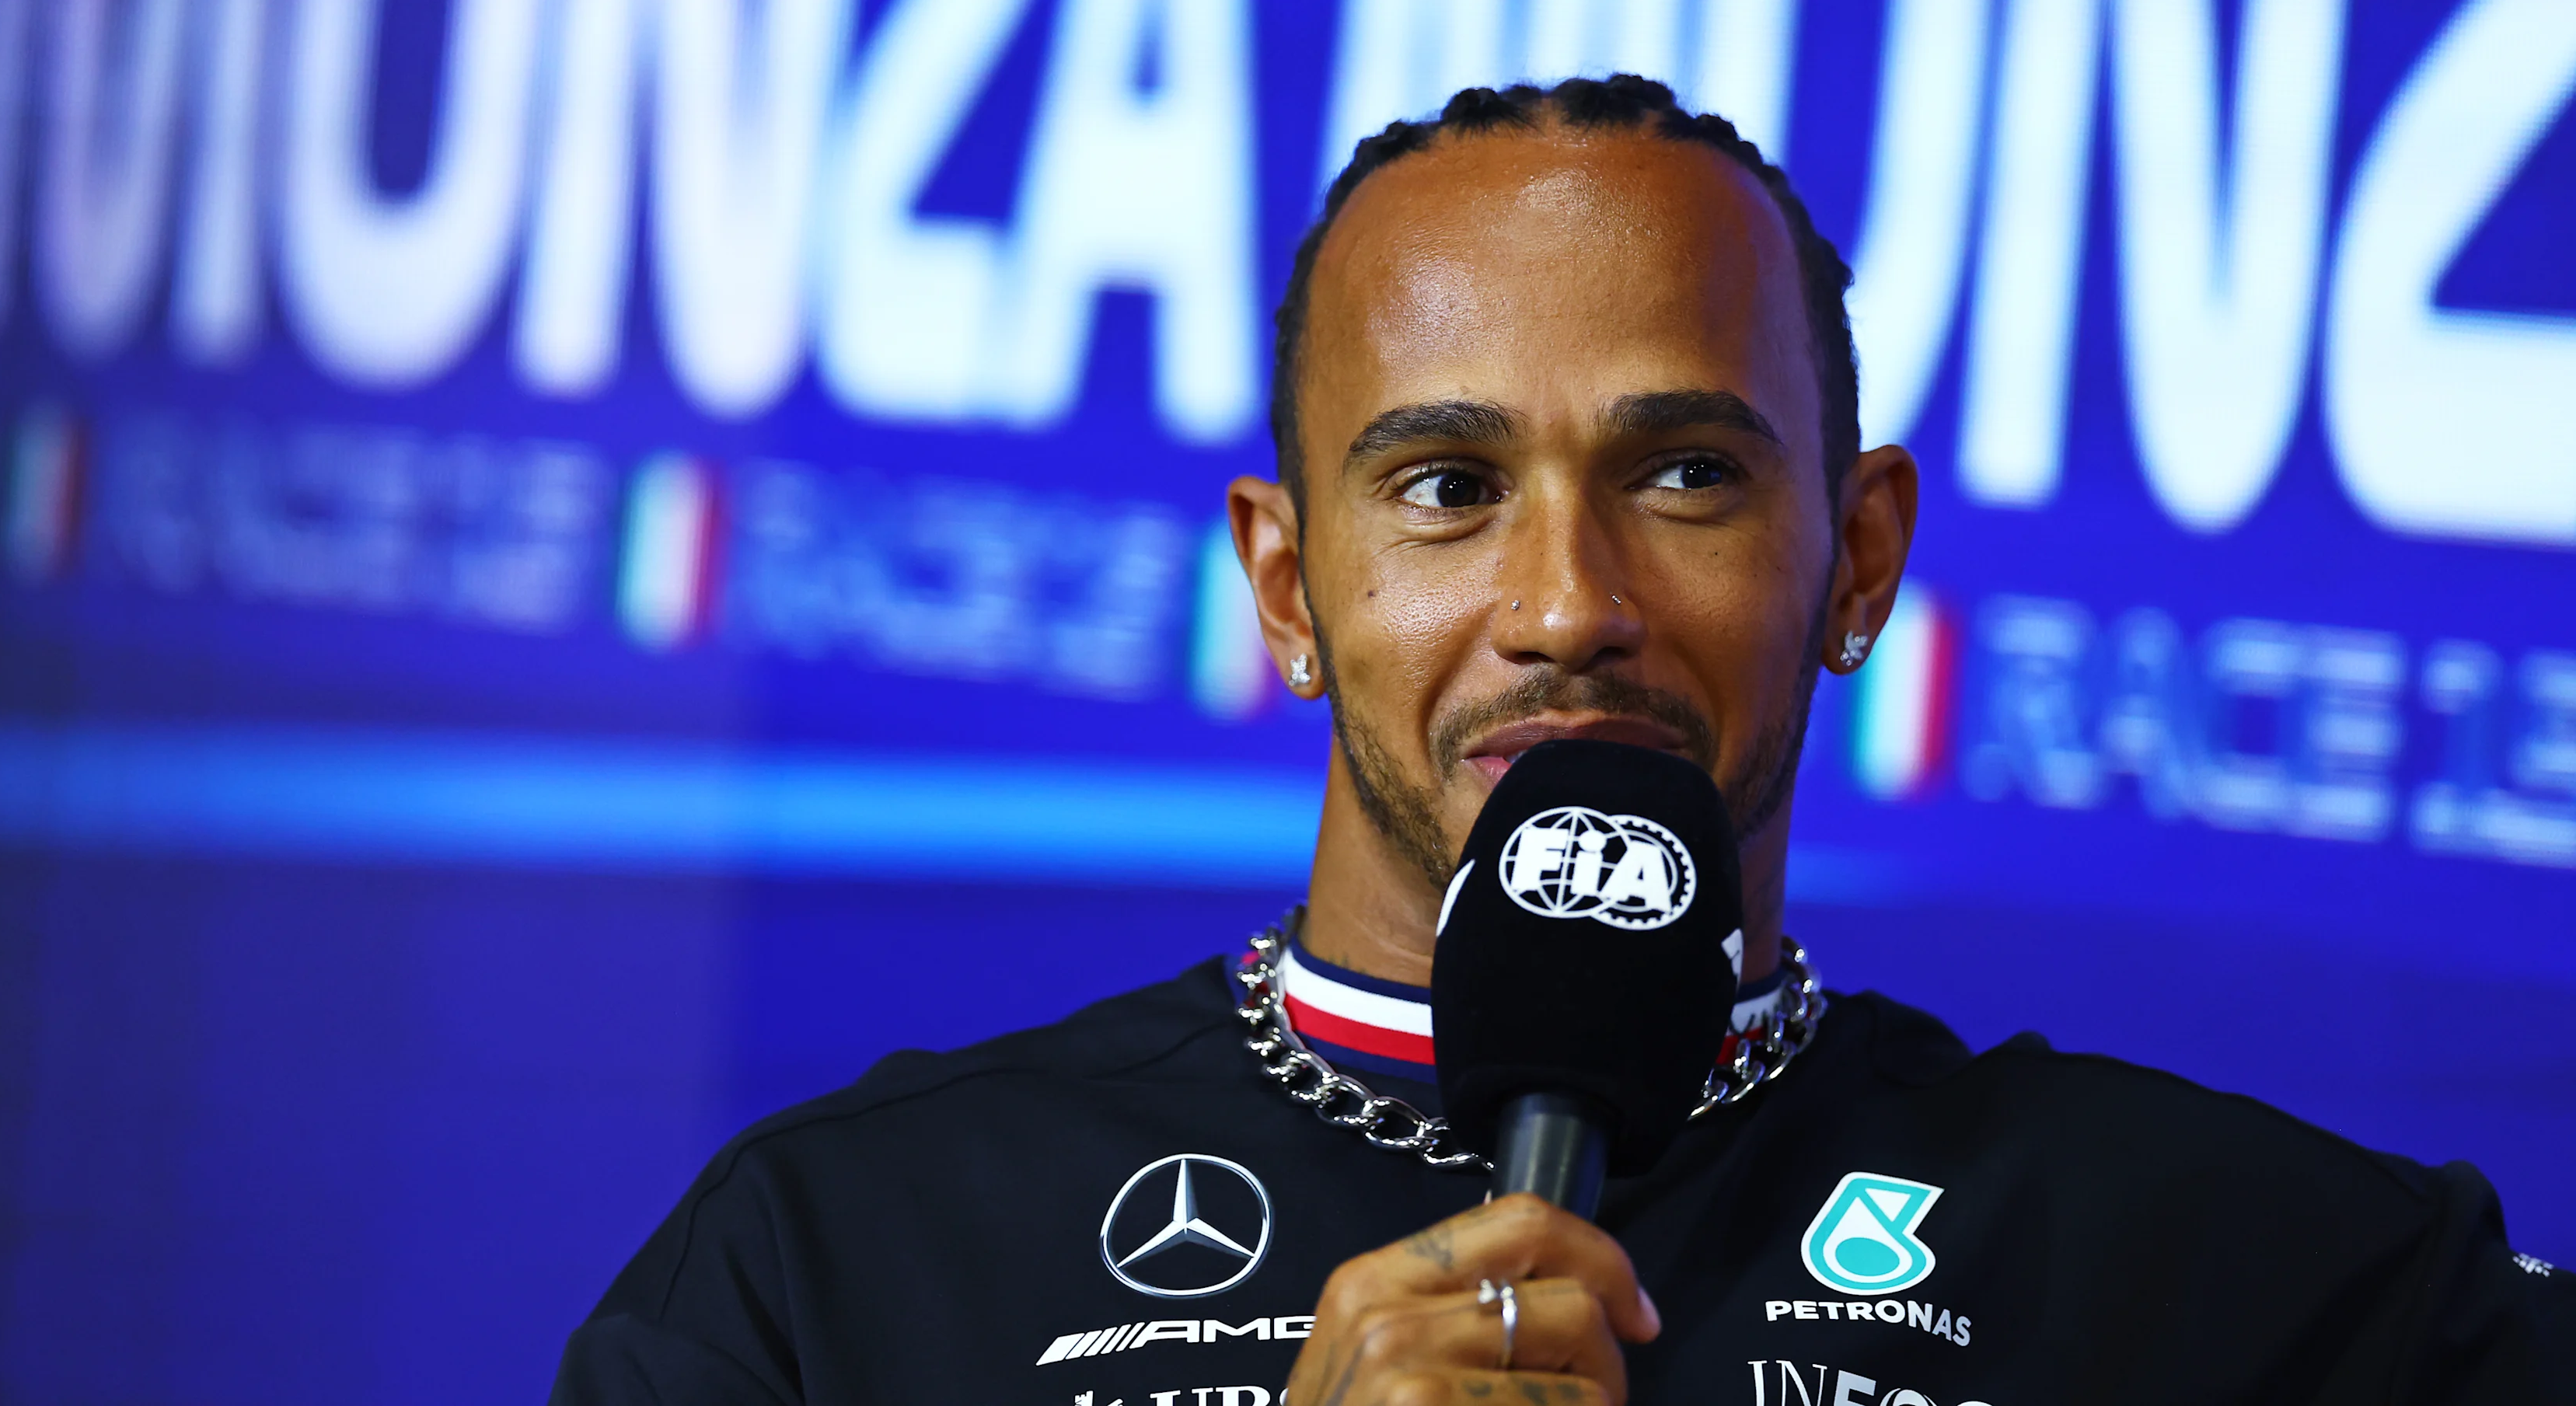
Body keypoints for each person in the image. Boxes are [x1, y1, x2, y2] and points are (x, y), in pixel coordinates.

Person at [549, 77, 2573, 1406]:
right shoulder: (835, 1269)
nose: (1564, 601)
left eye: (1685, 472)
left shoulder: (2222, 1279)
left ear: (1859, 557)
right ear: (1285, 580)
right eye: (1442, 486)